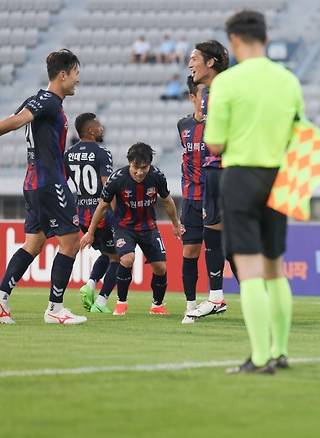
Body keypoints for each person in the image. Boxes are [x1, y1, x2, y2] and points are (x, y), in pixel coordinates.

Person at [205, 10, 303, 374]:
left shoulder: (227, 83)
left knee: (249, 272)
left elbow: (213, 143)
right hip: (279, 175)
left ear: (234, 40)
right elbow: (300, 133)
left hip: (242, 175)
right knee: (276, 269)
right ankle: (280, 351)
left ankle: (260, 358)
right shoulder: (288, 80)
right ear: (264, 36)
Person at [0, 49, 86, 325]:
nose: (77, 80)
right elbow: (16, 121)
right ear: (63, 75)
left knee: (33, 243)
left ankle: (1, 299)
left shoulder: (41, 100)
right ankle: (55, 308)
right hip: (49, 184)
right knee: (71, 241)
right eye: (75, 74)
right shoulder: (48, 102)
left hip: (36, 181)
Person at [80, 143, 183, 315]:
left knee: (161, 268)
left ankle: (157, 305)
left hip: (149, 227)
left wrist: (175, 224)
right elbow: (102, 206)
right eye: (136, 167)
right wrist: (90, 232)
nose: (140, 172)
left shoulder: (157, 176)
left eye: (144, 167)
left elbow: (167, 201)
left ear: (149, 165)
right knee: (127, 259)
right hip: (124, 228)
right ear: (129, 163)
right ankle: (121, 303)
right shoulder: (117, 179)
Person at [185, 39, 235, 321]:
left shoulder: (226, 91)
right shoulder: (207, 93)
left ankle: (259, 296)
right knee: (215, 235)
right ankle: (216, 297)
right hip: (214, 170)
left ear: (211, 62)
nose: (190, 64)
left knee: (235, 238)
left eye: (194, 58)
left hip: (228, 170)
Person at [66, 113, 118, 314]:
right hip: (102, 214)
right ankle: (101, 302)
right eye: (98, 125)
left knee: (107, 253)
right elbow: (107, 185)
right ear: (91, 130)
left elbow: (64, 183)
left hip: (82, 215)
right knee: (119, 258)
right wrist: (118, 213)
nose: (101, 128)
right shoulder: (102, 152)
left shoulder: (68, 154)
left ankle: (90, 284)